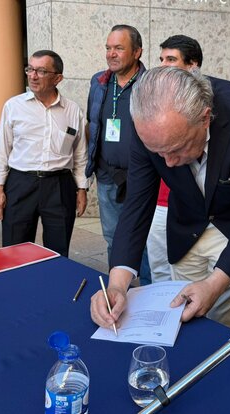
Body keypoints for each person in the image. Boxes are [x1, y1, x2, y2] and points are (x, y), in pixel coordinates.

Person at [90, 66, 230, 330]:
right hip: (185, 226)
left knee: (224, 323)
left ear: (205, 118)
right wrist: (117, 285)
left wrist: (215, 284)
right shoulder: (146, 122)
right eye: (159, 153)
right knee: (180, 317)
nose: (168, 163)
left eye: (177, 149)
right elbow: (137, 204)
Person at [0, 50, 87, 257]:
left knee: (58, 251)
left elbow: (80, 154)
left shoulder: (72, 110)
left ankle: (54, 279)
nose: (33, 76)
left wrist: (82, 189)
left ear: (57, 78)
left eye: (41, 71)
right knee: (15, 250)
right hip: (20, 183)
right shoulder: (14, 106)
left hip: (59, 185)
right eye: (30, 69)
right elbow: (2, 151)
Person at [85, 24, 151, 285]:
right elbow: (92, 124)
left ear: (137, 52)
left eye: (119, 48)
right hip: (107, 176)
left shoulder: (151, 84)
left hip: (142, 178)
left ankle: (147, 291)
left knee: (145, 241)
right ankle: (119, 289)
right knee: (114, 237)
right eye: (108, 48)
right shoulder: (99, 82)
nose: (111, 54)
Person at [148, 34, 204, 283]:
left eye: (171, 59)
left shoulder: (206, 103)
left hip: (193, 205)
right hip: (160, 202)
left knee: (189, 276)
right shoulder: (152, 101)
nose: (163, 65)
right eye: (161, 59)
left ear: (193, 65)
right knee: (159, 270)